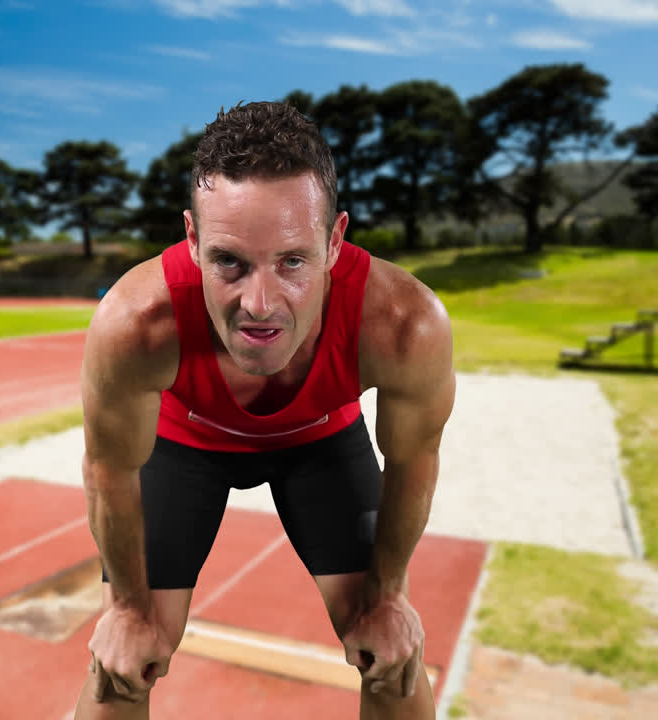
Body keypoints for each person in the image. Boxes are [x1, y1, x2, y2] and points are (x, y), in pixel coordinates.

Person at [74, 100, 456, 720]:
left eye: (293, 262)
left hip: (320, 438)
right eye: (229, 261)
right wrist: (124, 609)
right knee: (122, 665)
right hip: (186, 439)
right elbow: (108, 470)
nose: (259, 303)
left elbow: (414, 460)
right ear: (192, 241)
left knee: (390, 654)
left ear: (335, 242)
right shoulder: (136, 323)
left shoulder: (403, 324)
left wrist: (387, 598)